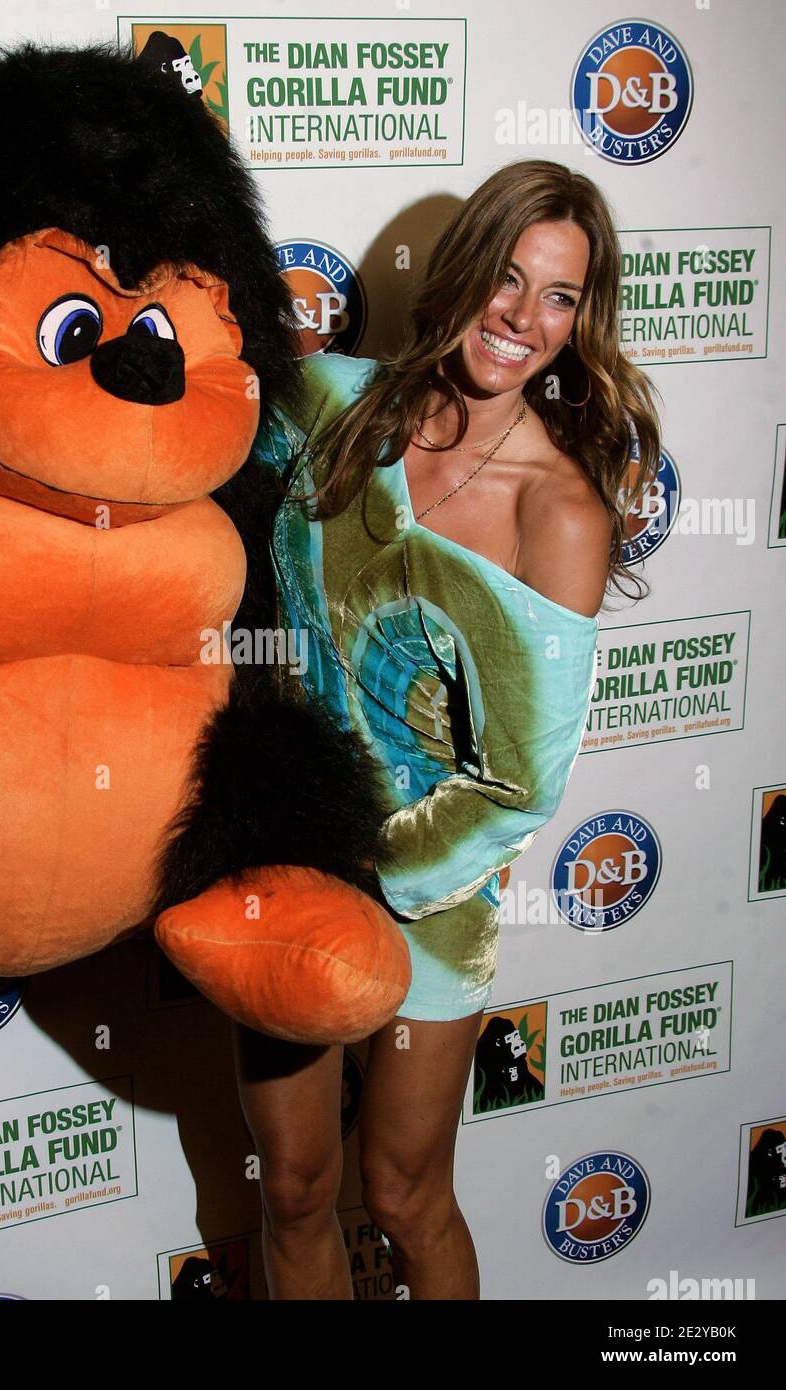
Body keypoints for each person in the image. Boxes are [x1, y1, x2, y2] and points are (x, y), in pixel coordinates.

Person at [237, 159, 662, 1300]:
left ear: (583, 321)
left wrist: (373, 871)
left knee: (403, 1192)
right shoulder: (328, 401)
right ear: (466, 267)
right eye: (509, 279)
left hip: (431, 885)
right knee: (291, 1185)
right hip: (280, 851)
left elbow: (516, 788)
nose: (523, 319)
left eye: (561, 298)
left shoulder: (557, 511)